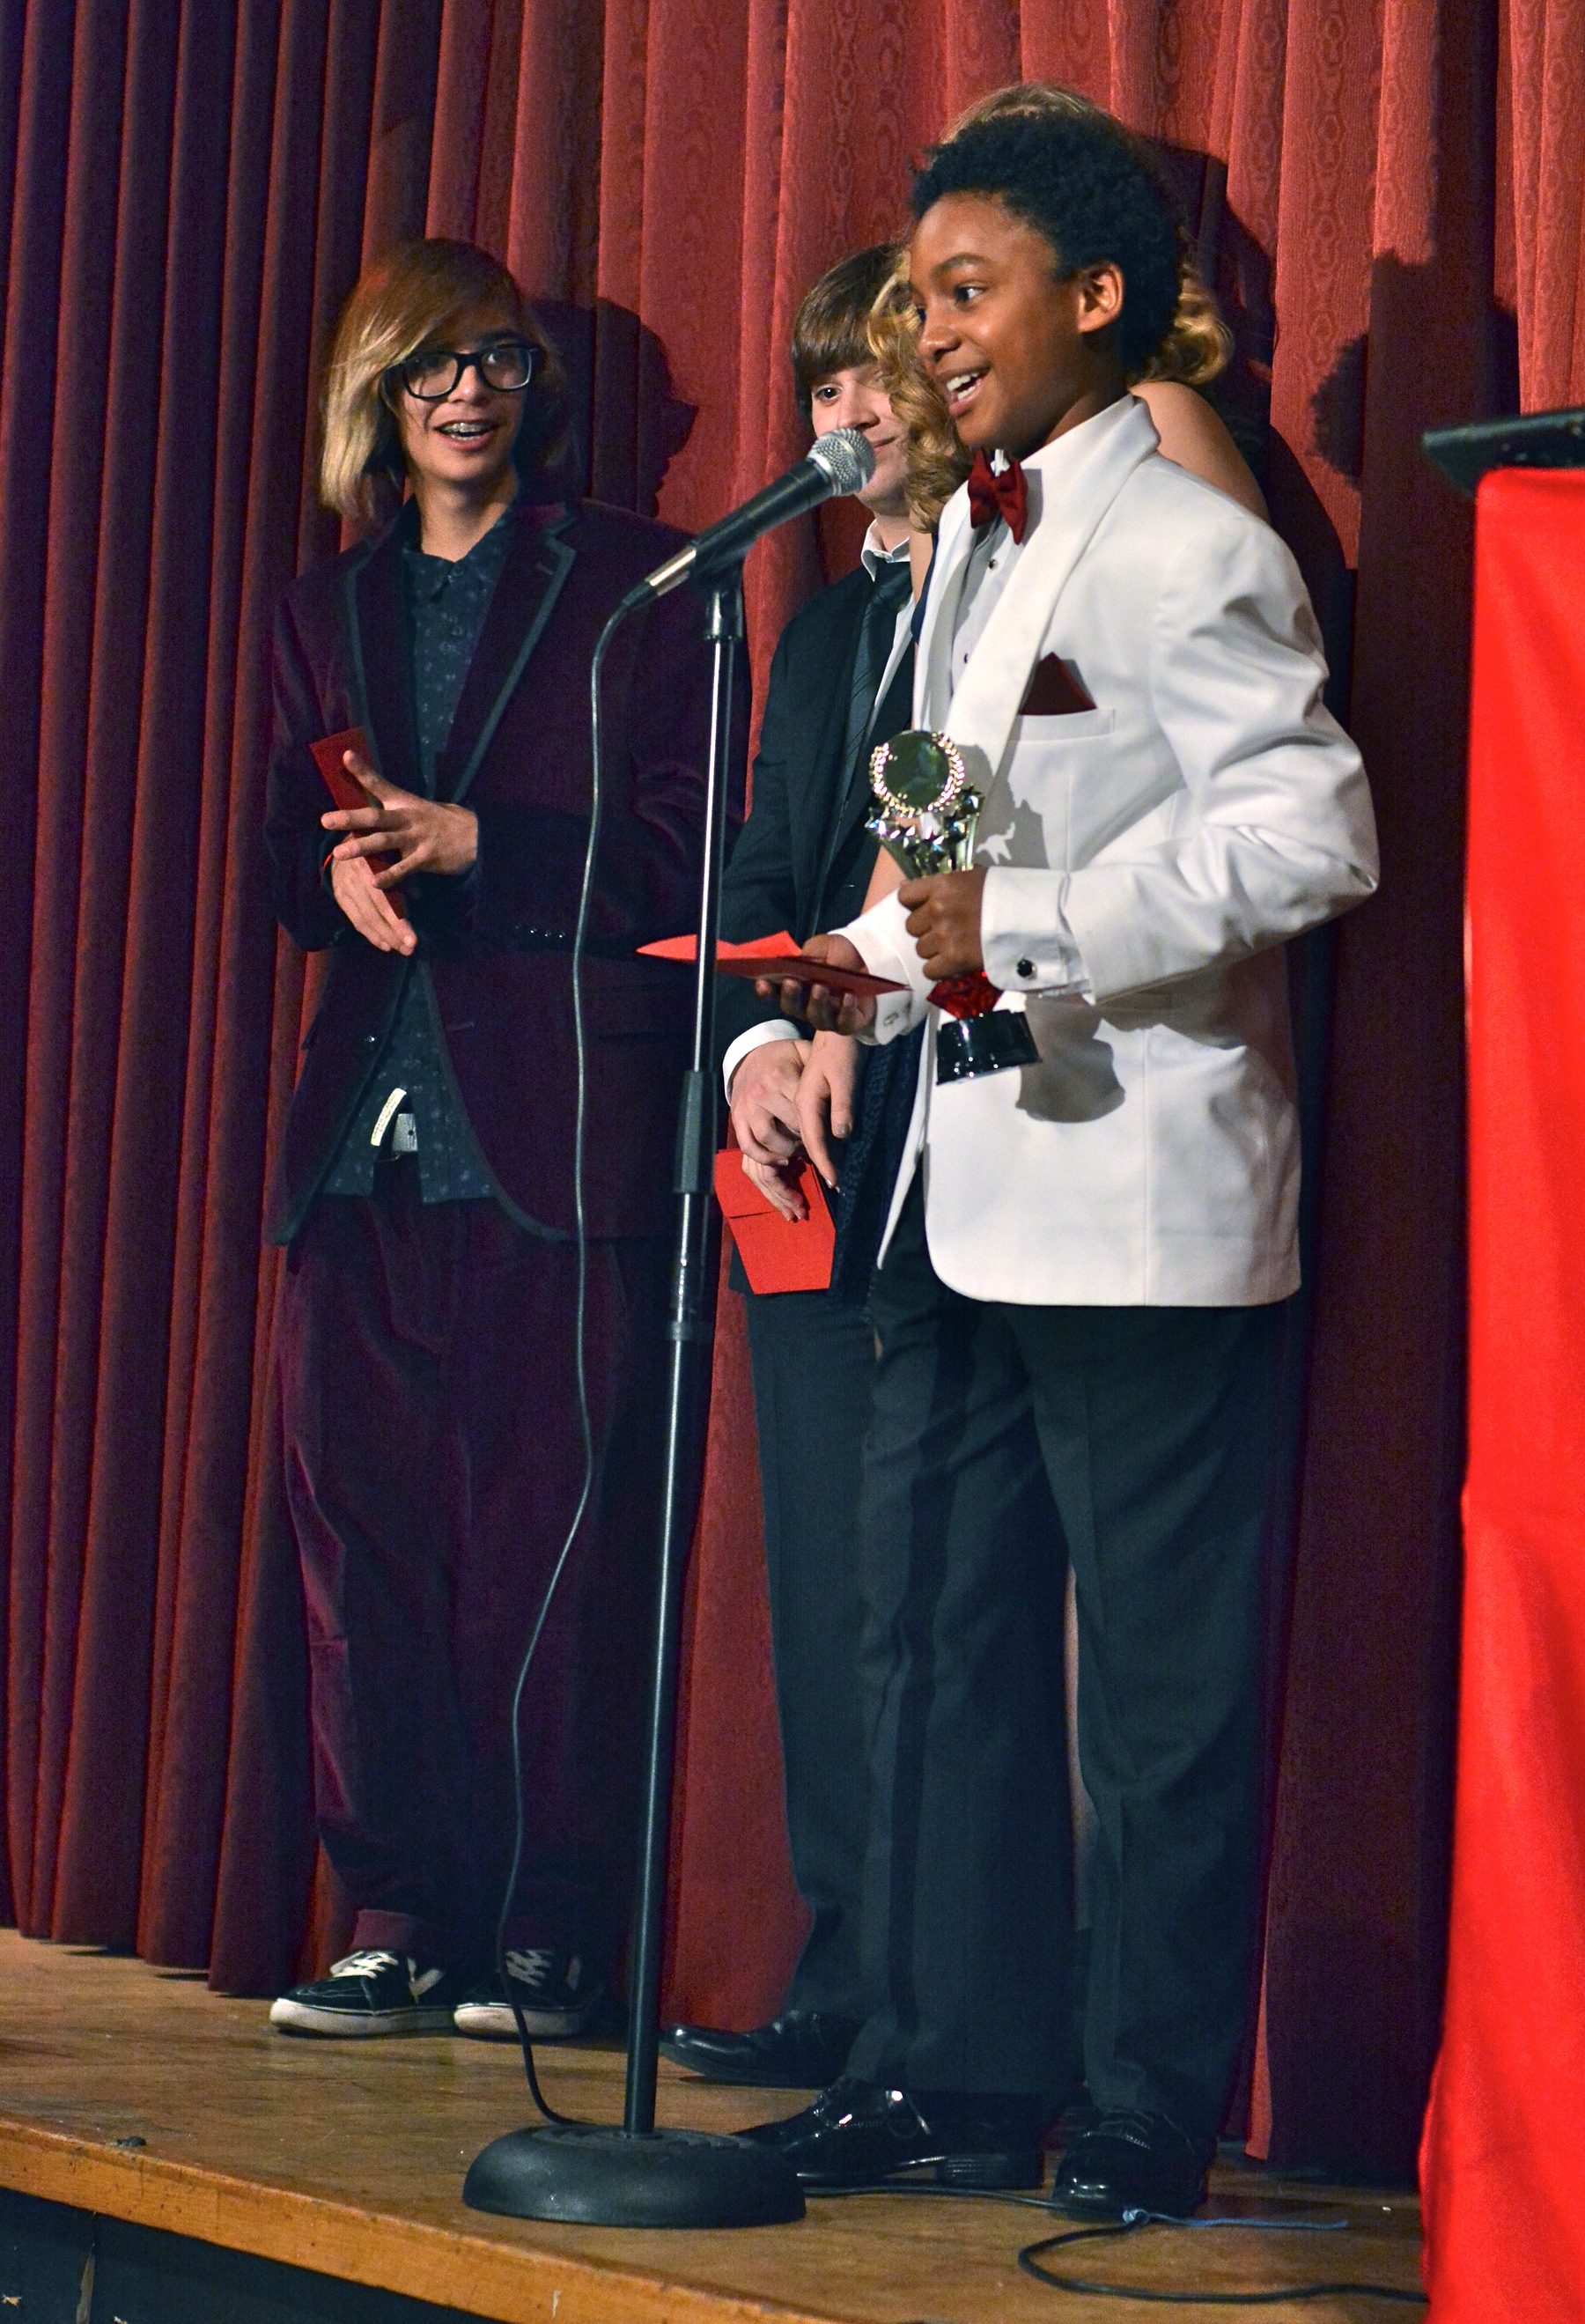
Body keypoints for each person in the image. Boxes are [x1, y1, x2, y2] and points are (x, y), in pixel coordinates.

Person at [741, 107, 1376, 2214]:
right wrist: (830, 986)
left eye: (963, 291)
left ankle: (1142, 2103)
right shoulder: (979, 548)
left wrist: (1031, 933)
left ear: (1095, 301)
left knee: (1159, 1696)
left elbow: (1313, 830)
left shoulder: (1192, 541)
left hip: (1138, 1194)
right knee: (940, 1643)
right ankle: (952, 2066)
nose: (924, 336)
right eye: (909, 297)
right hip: (958, 1180)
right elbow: (945, 867)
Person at [262, 239, 725, 2043]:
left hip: (561, 1122)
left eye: (499, 366)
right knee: (357, 1545)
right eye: (432, 368)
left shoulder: (636, 577)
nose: (467, 396)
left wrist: (485, 854)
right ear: (377, 394)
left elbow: (694, 853)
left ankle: (548, 1931)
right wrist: (343, 869)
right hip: (364, 1143)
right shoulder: (327, 606)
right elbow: (275, 857)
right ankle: (399, 1909)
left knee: (559, 1547)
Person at [659, 246, 920, 2092]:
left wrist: (860, 1011)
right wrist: (756, 1049)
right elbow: (757, 871)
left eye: (882, 376)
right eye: (824, 388)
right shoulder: (820, 628)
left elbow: (962, 861)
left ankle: (958, 1979)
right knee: (827, 1566)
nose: (848, 417)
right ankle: (844, 1956)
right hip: (802, 1150)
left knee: (947, 1583)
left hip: (956, 1114)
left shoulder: (1012, 597)